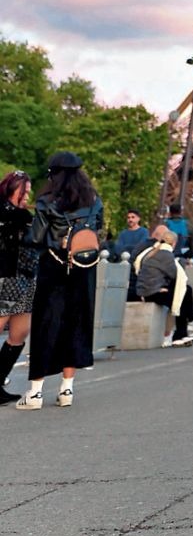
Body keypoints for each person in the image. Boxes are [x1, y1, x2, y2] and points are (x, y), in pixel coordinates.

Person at [15, 152, 103, 410]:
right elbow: (98, 231)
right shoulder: (94, 199)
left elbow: (36, 237)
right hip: (84, 267)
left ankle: (35, 393)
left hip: (53, 267)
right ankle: (67, 389)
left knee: (46, 325)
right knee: (76, 324)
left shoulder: (47, 201)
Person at [0, 170, 36, 405]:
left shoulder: (26, 215)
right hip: (5, 275)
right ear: (13, 188)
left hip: (25, 277)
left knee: (20, 332)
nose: (27, 194)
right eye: (25, 190)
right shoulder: (4, 212)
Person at [132, 230, 193, 346]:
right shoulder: (166, 255)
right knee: (183, 293)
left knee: (184, 291)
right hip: (151, 293)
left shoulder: (150, 252)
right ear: (174, 243)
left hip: (144, 290)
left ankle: (187, 325)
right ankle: (183, 330)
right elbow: (175, 275)